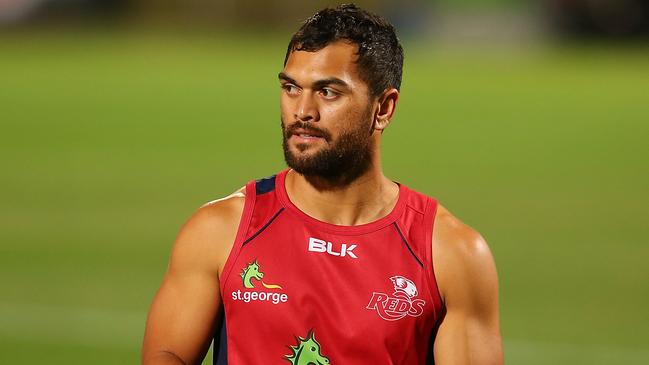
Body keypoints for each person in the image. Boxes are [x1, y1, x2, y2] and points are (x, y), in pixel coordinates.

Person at [142, 4, 503, 365]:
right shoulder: (220, 230)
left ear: (383, 109)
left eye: (328, 92)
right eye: (291, 88)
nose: (302, 111)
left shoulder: (450, 254)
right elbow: (167, 353)